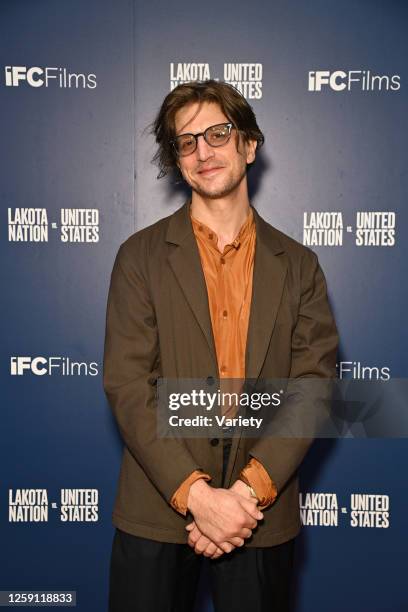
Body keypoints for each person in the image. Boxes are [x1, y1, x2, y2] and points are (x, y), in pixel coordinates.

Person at [103, 79, 338, 611]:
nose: (203, 151)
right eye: (186, 142)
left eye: (217, 133)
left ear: (249, 145)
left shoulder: (299, 266)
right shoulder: (138, 258)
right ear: (177, 158)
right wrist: (198, 496)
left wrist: (243, 498)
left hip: (260, 516)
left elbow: (313, 387)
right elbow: (128, 384)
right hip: (157, 511)